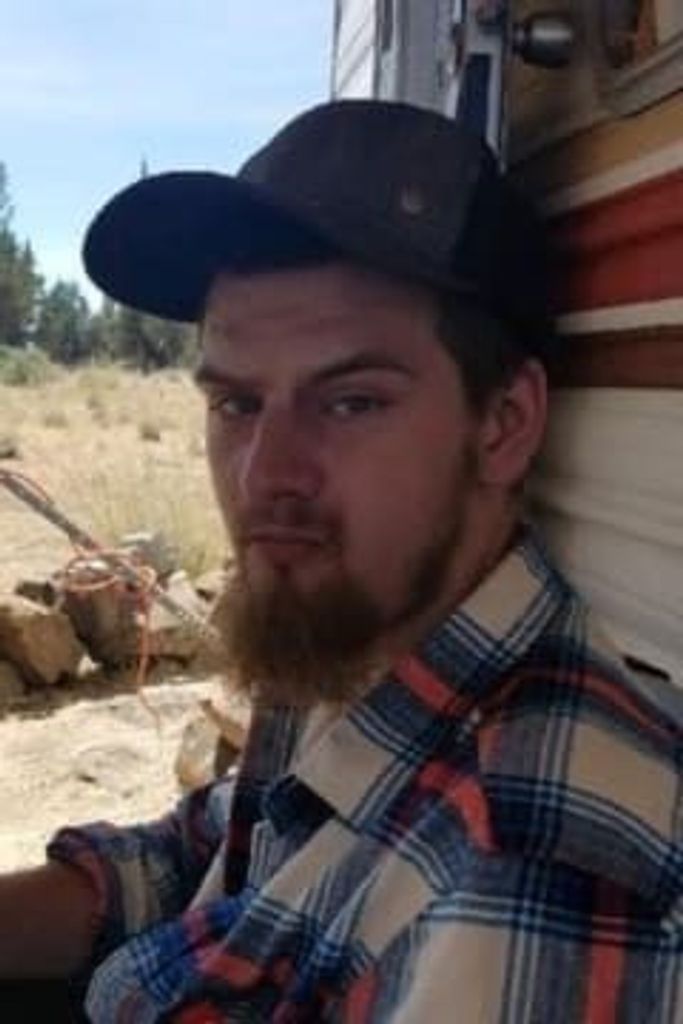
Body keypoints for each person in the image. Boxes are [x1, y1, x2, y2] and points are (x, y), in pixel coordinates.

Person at [0, 100, 680, 1022]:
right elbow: (226, 845)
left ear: (504, 424)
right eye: (236, 404)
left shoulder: (526, 874)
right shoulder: (359, 628)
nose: (263, 475)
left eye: (351, 402)